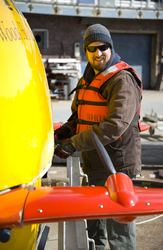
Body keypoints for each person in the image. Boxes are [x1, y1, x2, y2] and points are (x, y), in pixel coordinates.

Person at [54, 23, 144, 250]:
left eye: (103, 47)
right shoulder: (87, 79)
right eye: (92, 48)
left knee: (119, 229)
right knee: (95, 225)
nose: (98, 53)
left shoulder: (121, 80)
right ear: (85, 51)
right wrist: (64, 132)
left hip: (117, 166)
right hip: (94, 162)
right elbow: (80, 116)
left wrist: (73, 144)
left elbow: (114, 126)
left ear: (111, 48)